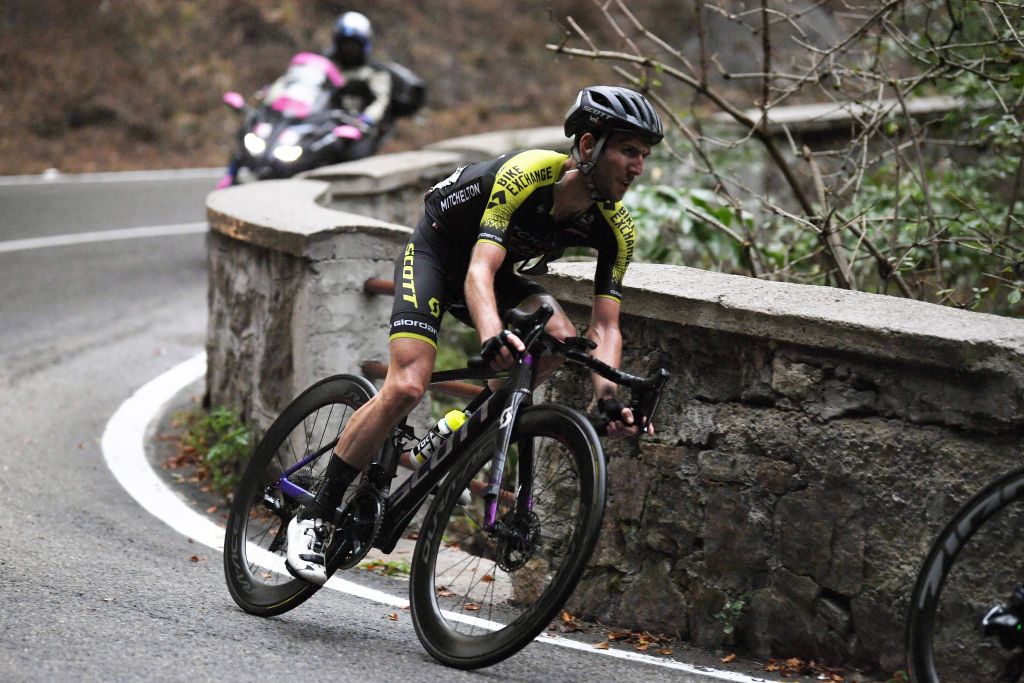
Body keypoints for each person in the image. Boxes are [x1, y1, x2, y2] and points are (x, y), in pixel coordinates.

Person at [286, 85, 664, 584]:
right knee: (405, 385)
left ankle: (460, 429)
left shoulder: (617, 228)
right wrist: (491, 336)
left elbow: (607, 325)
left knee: (557, 339)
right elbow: (477, 271)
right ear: (590, 146)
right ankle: (315, 512)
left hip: (499, 273)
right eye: (629, 151)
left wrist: (610, 399)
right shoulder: (528, 174)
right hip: (440, 257)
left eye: (645, 154)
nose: (638, 166)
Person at [326, 10, 393, 160]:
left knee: (352, 158)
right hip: (324, 124)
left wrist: (366, 118)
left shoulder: (375, 72)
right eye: (344, 43)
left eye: (353, 44)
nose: (348, 48)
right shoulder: (326, 64)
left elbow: (381, 100)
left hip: (358, 129)